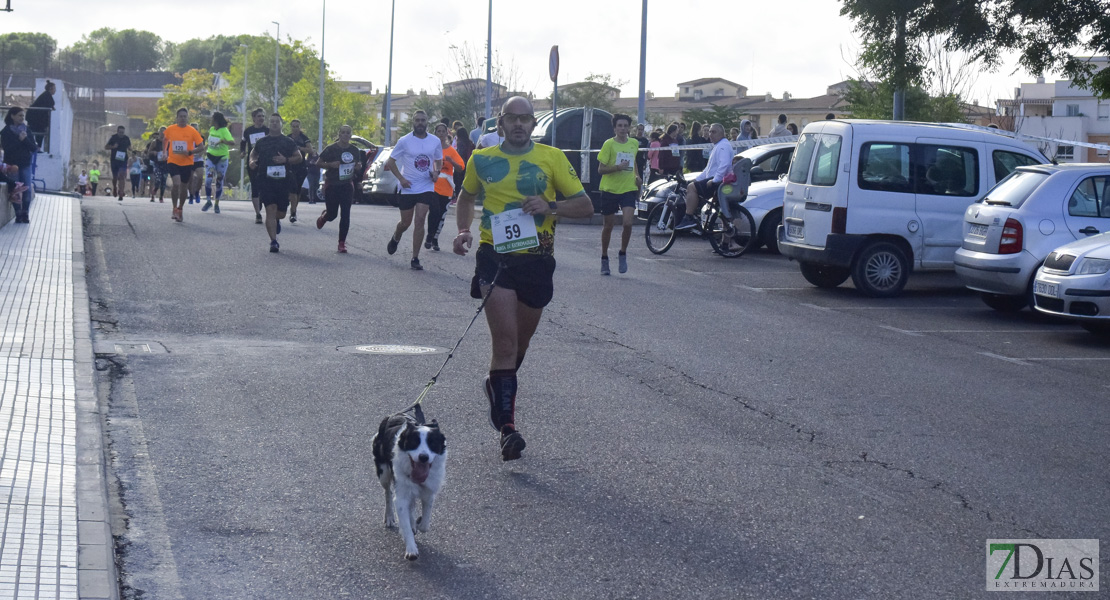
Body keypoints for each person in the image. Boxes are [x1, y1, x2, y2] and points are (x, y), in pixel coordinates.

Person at [453, 96, 593, 461]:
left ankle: (495, 388)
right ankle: (508, 430)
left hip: (537, 259)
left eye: (525, 119)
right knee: (504, 342)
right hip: (494, 257)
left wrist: (551, 206)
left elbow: (585, 205)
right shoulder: (482, 159)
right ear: (500, 124)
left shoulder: (552, 158)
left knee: (519, 347)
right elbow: (465, 197)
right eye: (511, 119)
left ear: (533, 124)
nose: (518, 124)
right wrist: (464, 229)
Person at [383, 109, 442, 271]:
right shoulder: (404, 141)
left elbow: (438, 160)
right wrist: (401, 179)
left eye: (423, 120)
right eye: (417, 120)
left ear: (427, 122)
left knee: (420, 220)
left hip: (426, 186)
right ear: (413, 123)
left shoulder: (435, 141)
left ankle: (415, 257)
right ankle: (396, 236)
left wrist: (436, 172)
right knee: (405, 223)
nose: (420, 123)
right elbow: (391, 161)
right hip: (408, 186)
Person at [249, 112, 302, 252]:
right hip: (266, 180)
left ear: (281, 124)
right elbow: (253, 153)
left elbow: (299, 157)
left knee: (281, 213)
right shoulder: (262, 141)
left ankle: (277, 220)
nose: (273, 124)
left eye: (276, 122)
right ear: (269, 123)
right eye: (271, 121)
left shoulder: (288, 142)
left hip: (283, 181)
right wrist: (252, 161)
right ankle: (273, 241)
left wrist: (286, 160)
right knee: (270, 209)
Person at [596, 113, 641, 276]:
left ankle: (622, 253)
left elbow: (633, 161)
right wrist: (617, 168)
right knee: (608, 226)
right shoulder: (609, 144)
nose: (623, 129)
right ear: (615, 128)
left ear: (629, 128)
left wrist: (637, 176)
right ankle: (604, 257)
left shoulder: (634, 143)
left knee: (628, 223)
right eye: (619, 126)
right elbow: (601, 169)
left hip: (628, 188)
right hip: (610, 189)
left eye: (625, 126)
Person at [315, 124, 363, 253]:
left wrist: (358, 166)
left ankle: (342, 243)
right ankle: (325, 217)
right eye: (343, 132)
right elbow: (318, 163)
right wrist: (330, 165)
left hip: (347, 185)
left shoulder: (354, 150)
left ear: (350, 135)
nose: (346, 135)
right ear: (339, 134)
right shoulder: (331, 149)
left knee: (345, 214)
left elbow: (358, 164)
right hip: (332, 184)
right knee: (333, 215)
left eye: (348, 133)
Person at [676, 123, 732, 230]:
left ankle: (689, 218)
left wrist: (715, 180)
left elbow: (724, 164)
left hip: (717, 183)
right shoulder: (718, 145)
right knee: (722, 212)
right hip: (716, 180)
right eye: (710, 131)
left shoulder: (723, 146)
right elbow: (708, 169)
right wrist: (696, 179)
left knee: (691, 188)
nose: (710, 134)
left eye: (713, 132)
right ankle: (725, 243)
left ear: (722, 133)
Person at [425, 123, 464, 252]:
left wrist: (451, 161)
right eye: (438, 131)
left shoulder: (451, 151)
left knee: (441, 215)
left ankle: (435, 238)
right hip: (433, 186)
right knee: (434, 211)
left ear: (447, 134)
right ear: (435, 133)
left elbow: (461, 167)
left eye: (443, 131)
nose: (441, 134)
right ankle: (429, 236)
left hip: (447, 188)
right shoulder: (430, 148)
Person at [162, 108, 205, 222]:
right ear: (177, 118)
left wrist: (190, 152)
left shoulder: (192, 131)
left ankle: (180, 208)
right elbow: (165, 139)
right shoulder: (170, 129)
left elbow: (201, 147)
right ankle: (174, 208)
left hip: (187, 162)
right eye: (180, 116)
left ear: (187, 118)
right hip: (173, 161)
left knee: (184, 187)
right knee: (176, 184)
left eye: (184, 116)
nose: (182, 118)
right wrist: (164, 152)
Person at [0, 107, 38, 223]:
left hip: (25, 164)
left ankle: (25, 213)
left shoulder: (26, 130)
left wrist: (25, 139)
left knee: (26, 189)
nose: (22, 118)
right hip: (12, 165)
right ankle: (18, 214)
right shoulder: (6, 132)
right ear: (12, 116)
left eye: (23, 116)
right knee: (15, 190)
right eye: (20, 115)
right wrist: (20, 141)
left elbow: (33, 147)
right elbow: (7, 149)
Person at [241, 108, 269, 224]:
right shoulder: (248, 131)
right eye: (259, 116)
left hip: (266, 162)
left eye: (262, 116)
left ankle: (262, 200)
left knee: (265, 186)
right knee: (255, 186)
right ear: (253, 118)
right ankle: (258, 214)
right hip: (253, 162)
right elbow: (243, 142)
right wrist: (242, 152)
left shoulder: (267, 130)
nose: (261, 118)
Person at [203, 111, 234, 214]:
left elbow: (232, 142)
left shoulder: (224, 130)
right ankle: (208, 201)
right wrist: (204, 149)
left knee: (219, 181)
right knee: (208, 179)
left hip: (221, 158)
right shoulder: (211, 129)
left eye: (212, 118)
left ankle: (216, 203)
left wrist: (222, 141)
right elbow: (210, 142)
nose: (211, 120)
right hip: (211, 157)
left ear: (216, 120)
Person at [287, 119, 312, 223]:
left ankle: (293, 210)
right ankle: (292, 211)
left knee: (297, 190)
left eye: (297, 126)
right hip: (289, 166)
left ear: (300, 127)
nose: (295, 128)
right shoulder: (287, 138)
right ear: (291, 127)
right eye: (293, 126)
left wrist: (300, 148)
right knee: (291, 189)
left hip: (301, 167)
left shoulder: (304, 138)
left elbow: (310, 150)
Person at [105, 125, 131, 201]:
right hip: (114, 160)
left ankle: (121, 192)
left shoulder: (126, 138)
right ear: (117, 131)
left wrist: (131, 149)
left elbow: (129, 147)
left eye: (122, 132)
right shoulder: (113, 137)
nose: (121, 134)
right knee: (115, 177)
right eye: (120, 132)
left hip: (123, 160)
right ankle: (115, 188)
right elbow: (106, 147)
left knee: (122, 176)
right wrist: (113, 147)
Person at [27, 80, 55, 148]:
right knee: (37, 133)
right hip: (36, 119)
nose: (55, 91)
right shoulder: (46, 95)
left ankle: (37, 147)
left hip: (37, 118)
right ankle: (36, 147)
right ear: (50, 89)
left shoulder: (46, 95)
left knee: (37, 133)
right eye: (54, 89)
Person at [146, 128, 168, 203]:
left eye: (164, 132)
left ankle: (161, 196)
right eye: (161, 132)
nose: (163, 134)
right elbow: (149, 152)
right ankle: (154, 190)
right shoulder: (155, 142)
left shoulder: (169, 142)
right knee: (157, 179)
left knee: (164, 180)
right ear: (159, 133)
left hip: (166, 163)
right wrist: (154, 152)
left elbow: (172, 152)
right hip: (157, 163)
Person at [188, 122, 205, 205]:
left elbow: (203, 148)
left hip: (198, 160)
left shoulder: (201, 138)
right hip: (189, 160)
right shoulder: (187, 138)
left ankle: (197, 192)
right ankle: (191, 195)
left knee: (200, 177)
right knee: (190, 179)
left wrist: (200, 153)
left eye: (196, 129)